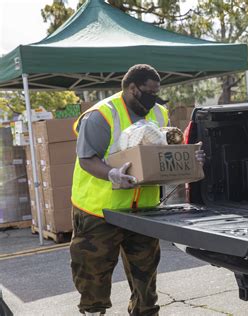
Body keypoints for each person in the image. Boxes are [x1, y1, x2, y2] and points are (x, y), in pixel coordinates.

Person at [70, 64, 205, 316]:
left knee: (146, 280)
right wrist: (112, 174)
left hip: (142, 211)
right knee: (93, 277)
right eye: (149, 93)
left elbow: (165, 150)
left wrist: (188, 156)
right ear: (132, 89)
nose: (154, 99)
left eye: (157, 94)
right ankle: (93, 311)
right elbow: (86, 158)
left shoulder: (159, 113)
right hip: (99, 212)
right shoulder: (102, 115)